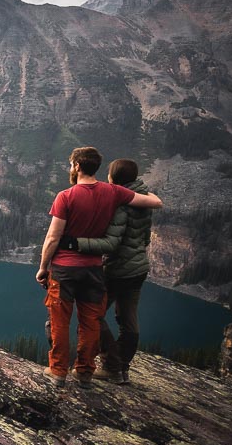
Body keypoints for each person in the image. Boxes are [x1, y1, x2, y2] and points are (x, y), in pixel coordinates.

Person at [35, 147, 163, 389]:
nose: (70, 168)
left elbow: (52, 238)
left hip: (64, 269)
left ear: (77, 167)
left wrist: (43, 267)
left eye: (71, 164)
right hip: (94, 270)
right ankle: (84, 372)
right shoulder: (114, 192)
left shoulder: (66, 196)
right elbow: (154, 202)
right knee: (91, 321)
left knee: (59, 320)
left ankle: (58, 371)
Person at [58, 159, 152, 386]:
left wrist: (76, 243)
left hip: (117, 270)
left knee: (93, 316)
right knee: (129, 320)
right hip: (138, 268)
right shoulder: (144, 200)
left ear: (114, 178)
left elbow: (110, 244)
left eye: (109, 174)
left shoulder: (121, 204)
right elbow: (146, 238)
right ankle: (123, 369)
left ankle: (112, 366)